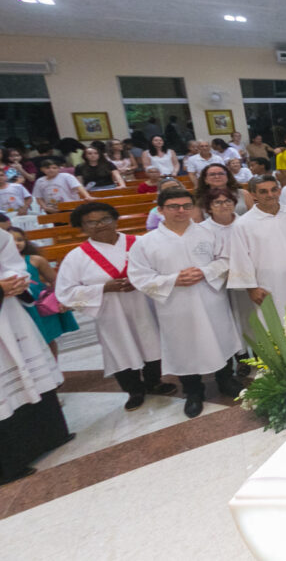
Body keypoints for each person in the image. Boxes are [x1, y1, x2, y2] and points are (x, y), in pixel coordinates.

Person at [128, 187, 243, 418]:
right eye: (174, 206)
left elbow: (226, 260)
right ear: (160, 210)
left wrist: (204, 272)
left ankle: (226, 380)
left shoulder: (208, 232)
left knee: (219, 337)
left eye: (186, 206)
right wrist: (173, 280)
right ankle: (193, 391)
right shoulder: (146, 243)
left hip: (210, 299)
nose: (181, 211)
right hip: (175, 305)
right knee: (183, 346)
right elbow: (139, 276)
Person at [55, 202, 175, 409]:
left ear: (115, 220)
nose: (100, 225)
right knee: (120, 349)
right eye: (91, 222)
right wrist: (102, 288)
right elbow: (65, 293)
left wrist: (142, 282)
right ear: (82, 228)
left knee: (152, 342)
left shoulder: (140, 243)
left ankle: (154, 382)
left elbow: (164, 270)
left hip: (145, 306)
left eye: (105, 219)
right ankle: (134, 390)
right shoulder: (76, 257)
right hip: (110, 313)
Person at [0, 228, 72, 484]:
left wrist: (17, 282)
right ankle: (9, 464)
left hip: (10, 314)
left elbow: (12, 264)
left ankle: (47, 438)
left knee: (29, 374)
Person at [227, 175, 286, 346]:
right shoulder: (244, 223)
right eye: (263, 191)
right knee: (274, 324)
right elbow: (241, 257)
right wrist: (251, 287)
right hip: (267, 283)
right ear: (253, 195)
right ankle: (282, 360)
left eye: (273, 189)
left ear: (279, 190)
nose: (270, 195)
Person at [197, 188, 253, 376]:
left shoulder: (246, 223)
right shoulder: (202, 230)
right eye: (218, 202)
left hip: (249, 280)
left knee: (251, 318)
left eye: (228, 201)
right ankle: (241, 358)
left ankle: (261, 354)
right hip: (218, 285)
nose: (224, 205)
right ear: (208, 208)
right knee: (231, 322)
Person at [11, 227, 79, 358]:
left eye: (20, 239)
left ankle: (54, 366)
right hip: (15, 305)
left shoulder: (35, 260)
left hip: (39, 305)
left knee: (47, 337)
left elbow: (55, 280)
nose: (16, 243)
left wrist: (61, 299)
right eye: (11, 240)